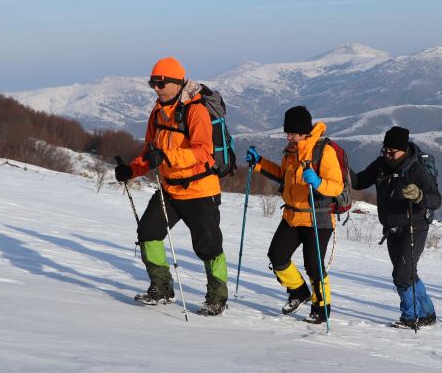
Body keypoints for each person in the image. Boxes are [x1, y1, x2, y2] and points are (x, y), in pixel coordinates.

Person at [115, 57, 229, 316]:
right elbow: (149, 152)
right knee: (147, 232)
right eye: (152, 83)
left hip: (200, 190)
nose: (156, 88)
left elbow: (203, 151)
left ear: (177, 82)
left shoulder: (195, 110)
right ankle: (161, 288)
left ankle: (217, 297)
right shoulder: (157, 113)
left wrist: (166, 157)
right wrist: (131, 170)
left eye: (160, 82)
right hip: (170, 189)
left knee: (208, 245)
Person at [245, 106, 343, 324]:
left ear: (304, 131)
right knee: (277, 256)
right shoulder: (291, 151)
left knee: (313, 265)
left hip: (318, 217)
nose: (288, 136)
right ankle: (299, 291)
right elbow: (283, 176)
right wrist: (259, 162)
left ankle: (322, 307)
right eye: (287, 132)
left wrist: (318, 183)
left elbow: (336, 187)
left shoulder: (323, 151)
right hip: (292, 215)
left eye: (292, 133)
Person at [351, 126, 440, 328]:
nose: (388, 155)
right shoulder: (382, 164)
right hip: (392, 228)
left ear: (403, 150)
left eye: (392, 152)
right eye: (385, 151)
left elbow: (436, 200)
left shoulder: (416, 169)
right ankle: (427, 313)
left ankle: (410, 317)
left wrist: (419, 196)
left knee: (401, 275)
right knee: (408, 273)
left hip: (414, 226)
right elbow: (359, 182)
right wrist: (342, 166)